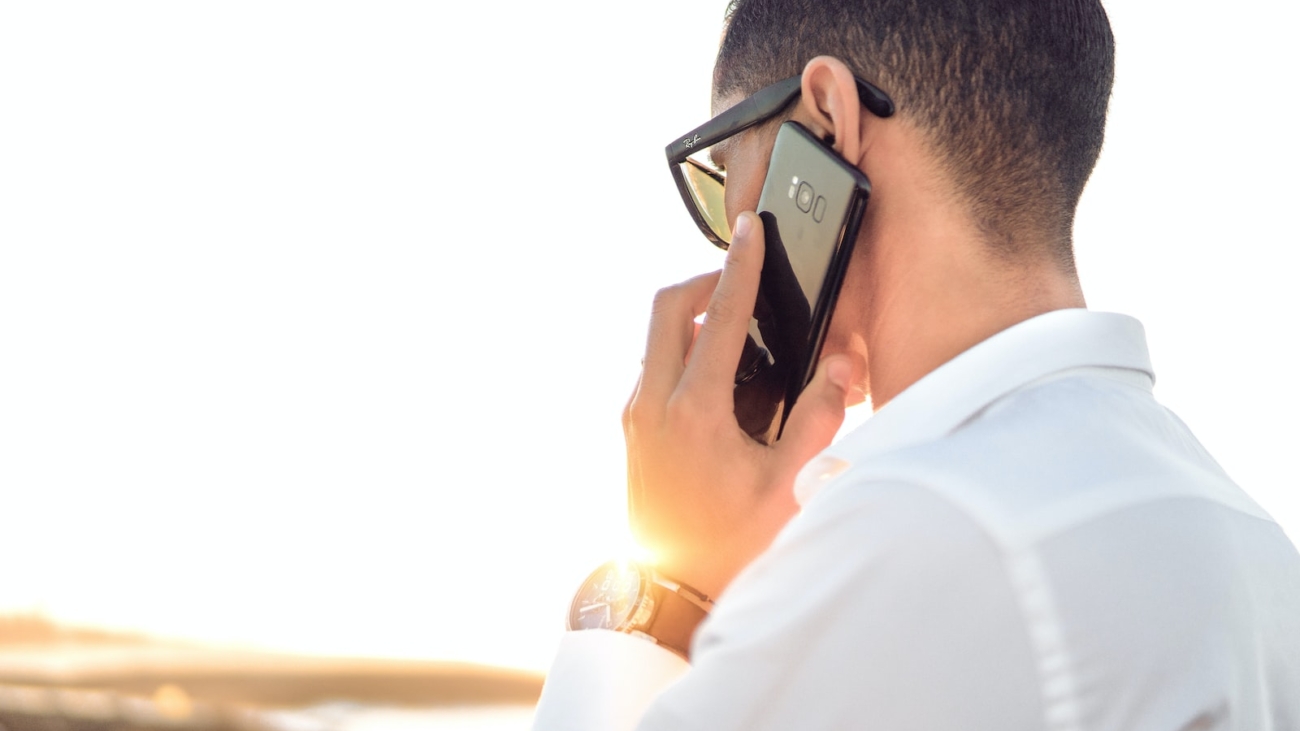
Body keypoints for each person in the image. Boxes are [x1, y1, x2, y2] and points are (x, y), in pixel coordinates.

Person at [533, 0, 1300, 729]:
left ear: (827, 123)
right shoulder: (1256, 542)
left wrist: (667, 592)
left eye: (725, 170)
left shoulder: (912, 539)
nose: (725, 228)